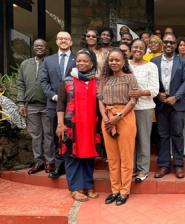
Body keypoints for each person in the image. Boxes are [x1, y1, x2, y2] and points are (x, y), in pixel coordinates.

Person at [56, 49, 100, 202]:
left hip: (91, 127)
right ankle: (75, 188)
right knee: (72, 157)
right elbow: (60, 104)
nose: (81, 63)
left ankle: (88, 185)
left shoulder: (97, 81)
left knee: (89, 156)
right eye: (79, 61)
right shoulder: (67, 80)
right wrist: (60, 124)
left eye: (85, 61)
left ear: (91, 63)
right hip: (71, 127)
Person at [98, 48, 138, 206]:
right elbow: (100, 100)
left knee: (126, 157)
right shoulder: (104, 79)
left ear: (123, 62)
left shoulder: (130, 78)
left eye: (117, 60)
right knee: (112, 158)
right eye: (111, 60)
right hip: (107, 119)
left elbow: (134, 100)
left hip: (125, 118)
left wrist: (119, 116)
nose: (114, 62)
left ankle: (124, 191)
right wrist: (105, 118)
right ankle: (114, 190)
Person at [151, 33, 185, 179]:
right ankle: (164, 165)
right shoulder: (154, 62)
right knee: (162, 136)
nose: (169, 45)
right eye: (166, 42)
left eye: (172, 43)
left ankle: (179, 165)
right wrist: (157, 94)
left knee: (178, 135)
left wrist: (176, 96)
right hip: (161, 104)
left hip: (177, 104)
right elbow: (151, 81)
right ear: (162, 44)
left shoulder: (183, 61)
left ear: (175, 45)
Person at [40, 31, 76, 179]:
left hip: (73, 106)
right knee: (56, 136)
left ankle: (71, 166)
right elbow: (43, 82)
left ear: (71, 42)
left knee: (72, 136)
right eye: (60, 38)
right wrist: (54, 96)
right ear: (56, 41)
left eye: (66, 39)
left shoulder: (78, 59)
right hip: (53, 104)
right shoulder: (48, 60)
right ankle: (58, 166)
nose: (63, 41)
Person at [17, 39, 53, 175]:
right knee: (35, 136)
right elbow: (20, 83)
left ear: (46, 48)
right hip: (31, 106)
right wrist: (21, 102)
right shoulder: (25, 64)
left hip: (48, 105)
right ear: (33, 48)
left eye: (42, 46)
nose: (39, 47)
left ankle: (49, 161)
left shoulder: (50, 63)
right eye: (36, 45)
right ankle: (38, 161)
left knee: (49, 135)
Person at [128, 40, 159, 182]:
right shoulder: (125, 65)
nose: (138, 50)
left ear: (145, 50)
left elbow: (155, 90)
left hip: (145, 108)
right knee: (129, 140)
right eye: (135, 47)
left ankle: (142, 170)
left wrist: (140, 93)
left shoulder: (151, 66)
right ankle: (131, 168)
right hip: (127, 108)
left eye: (141, 48)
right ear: (131, 49)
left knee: (143, 140)